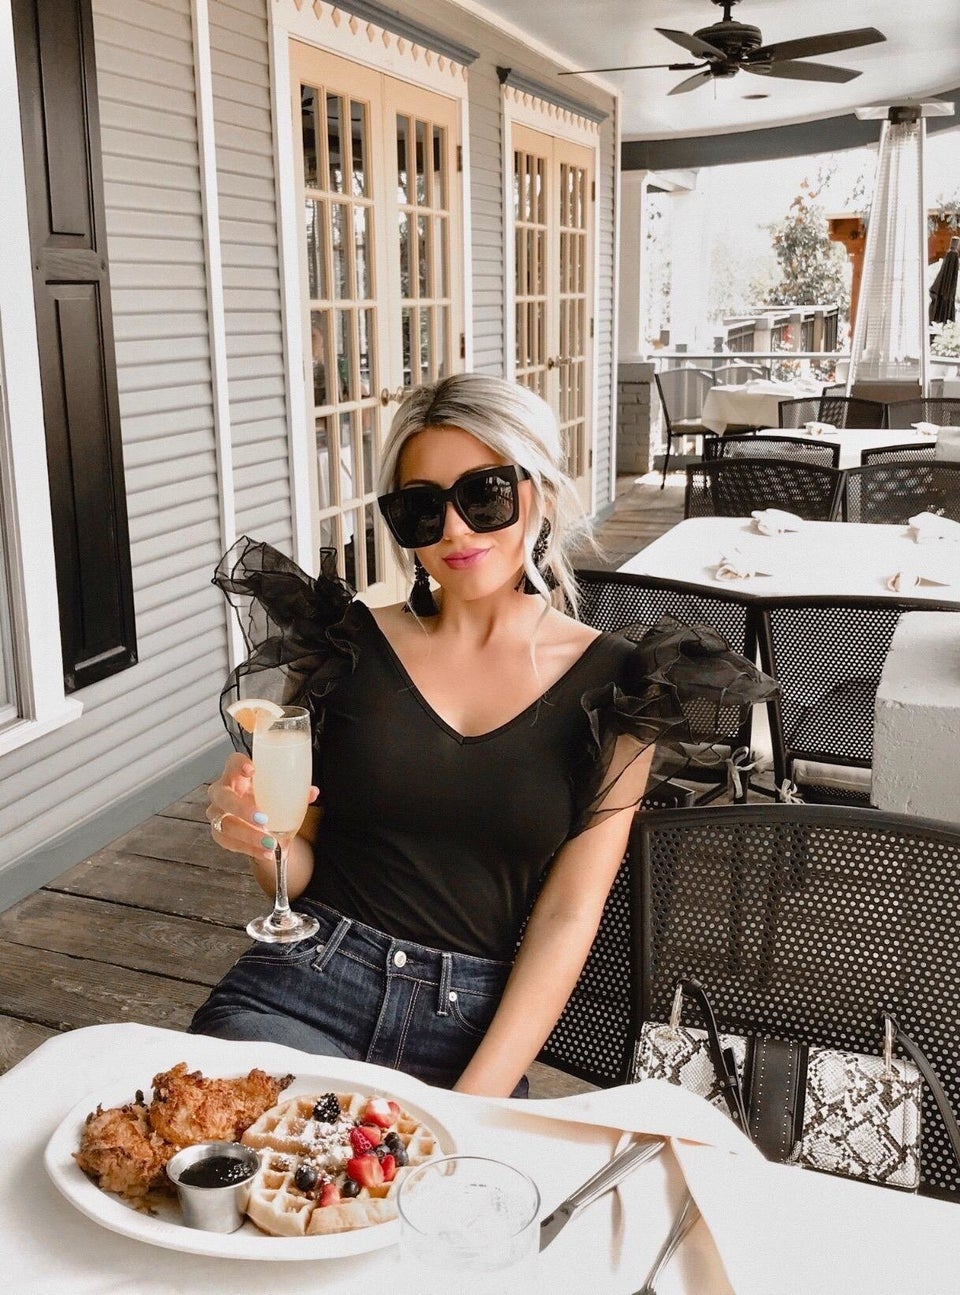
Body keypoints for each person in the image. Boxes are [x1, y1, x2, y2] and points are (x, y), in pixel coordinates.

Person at [189, 374, 774, 1098]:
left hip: (465, 1029)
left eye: (484, 495)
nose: (455, 531)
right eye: (421, 508)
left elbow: (567, 917)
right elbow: (301, 865)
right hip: (301, 989)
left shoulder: (623, 687)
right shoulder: (341, 646)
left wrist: (475, 1104)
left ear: (540, 492)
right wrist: (261, 838)